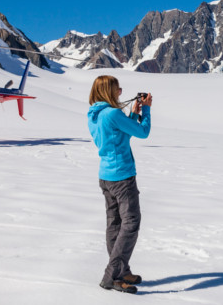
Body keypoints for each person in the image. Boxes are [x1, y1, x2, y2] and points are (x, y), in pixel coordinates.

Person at [87, 76, 153, 294]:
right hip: (122, 176)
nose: (120, 92)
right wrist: (147, 112)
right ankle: (113, 275)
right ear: (108, 91)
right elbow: (142, 132)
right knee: (131, 222)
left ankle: (122, 270)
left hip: (106, 176)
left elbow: (121, 135)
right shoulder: (113, 113)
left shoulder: (95, 115)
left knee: (114, 224)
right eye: (118, 89)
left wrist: (134, 113)